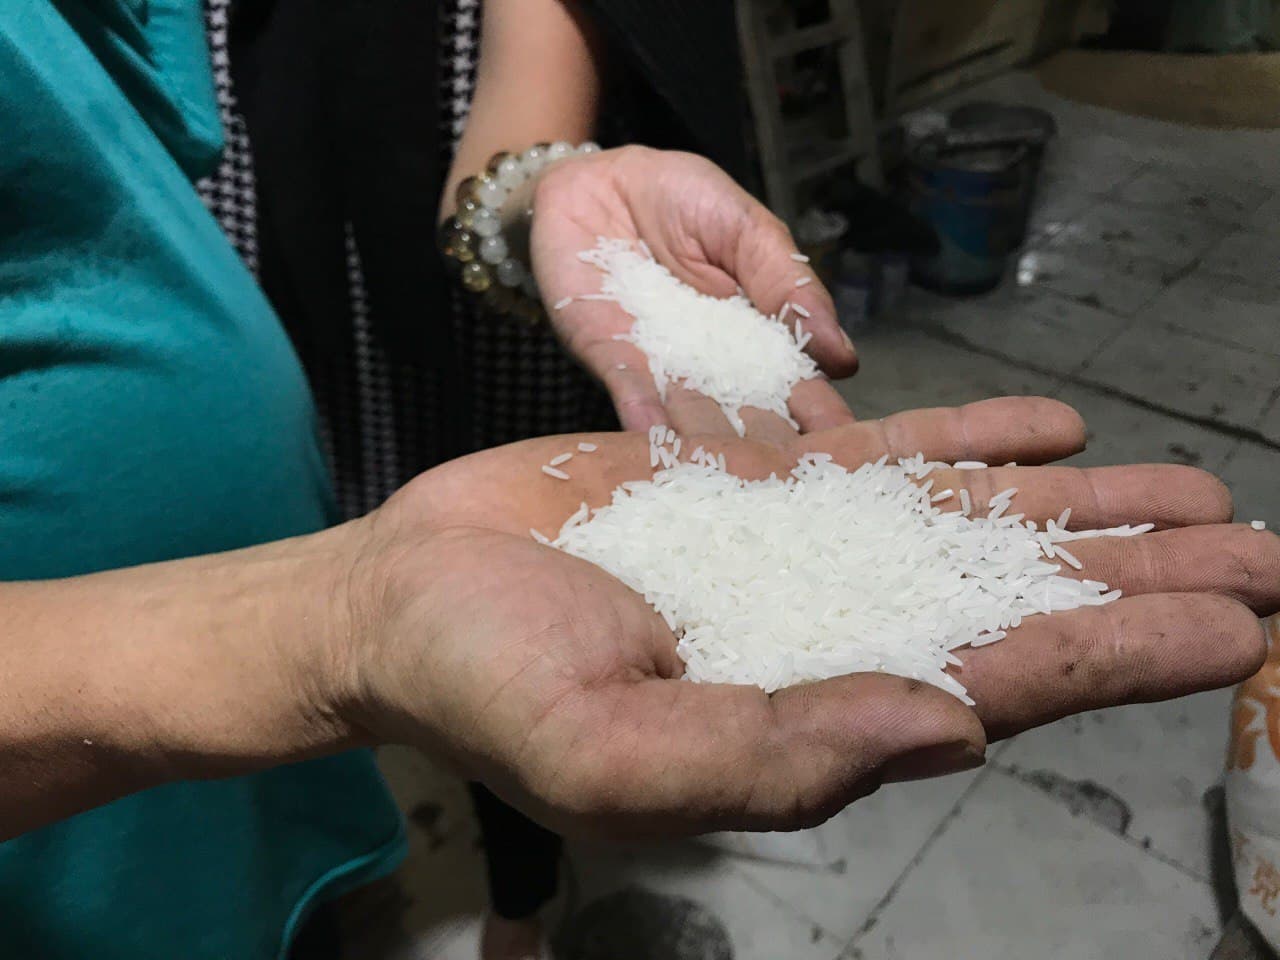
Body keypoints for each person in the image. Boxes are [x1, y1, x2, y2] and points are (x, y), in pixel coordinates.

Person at [4, 5, 1280, 960]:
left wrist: (543, 191)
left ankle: (513, 891)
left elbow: (497, 94)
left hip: (382, 473)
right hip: (93, 742)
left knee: (460, 681)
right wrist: (329, 622)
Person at [206, 3, 853, 954]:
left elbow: (523, 115)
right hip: (304, 311)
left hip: (493, 339)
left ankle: (521, 888)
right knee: (376, 596)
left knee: (522, 624)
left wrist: (544, 199)